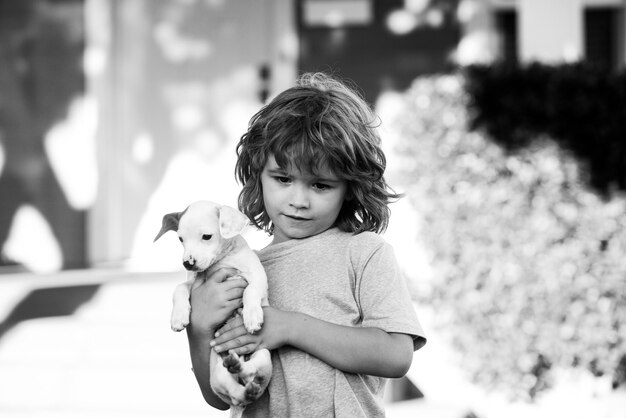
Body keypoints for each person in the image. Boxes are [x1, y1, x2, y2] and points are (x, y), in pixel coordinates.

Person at [186, 72, 426, 417]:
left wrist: (289, 327)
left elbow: (396, 355)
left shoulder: (363, 253)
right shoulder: (239, 272)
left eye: (321, 185)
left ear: (350, 188)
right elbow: (219, 397)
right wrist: (199, 328)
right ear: (258, 175)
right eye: (283, 179)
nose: (299, 200)